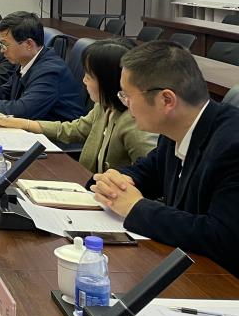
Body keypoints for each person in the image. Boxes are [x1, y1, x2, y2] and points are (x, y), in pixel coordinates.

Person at [91, 42, 239, 276]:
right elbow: (147, 172)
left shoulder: (232, 146)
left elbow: (221, 237)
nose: (125, 104)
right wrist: (115, 181)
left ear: (166, 100)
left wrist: (136, 208)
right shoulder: (175, 129)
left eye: (127, 95)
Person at [0, 39, 156, 173]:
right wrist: (20, 123)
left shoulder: (134, 124)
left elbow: (152, 177)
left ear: (107, 82)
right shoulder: (104, 106)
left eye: (89, 76)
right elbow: (74, 129)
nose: (83, 80)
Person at [0, 11, 85, 121]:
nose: (2, 50)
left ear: (28, 44)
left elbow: (23, 111)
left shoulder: (50, 71)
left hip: (56, 140)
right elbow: (5, 91)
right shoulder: (26, 60)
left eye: (5, 44)